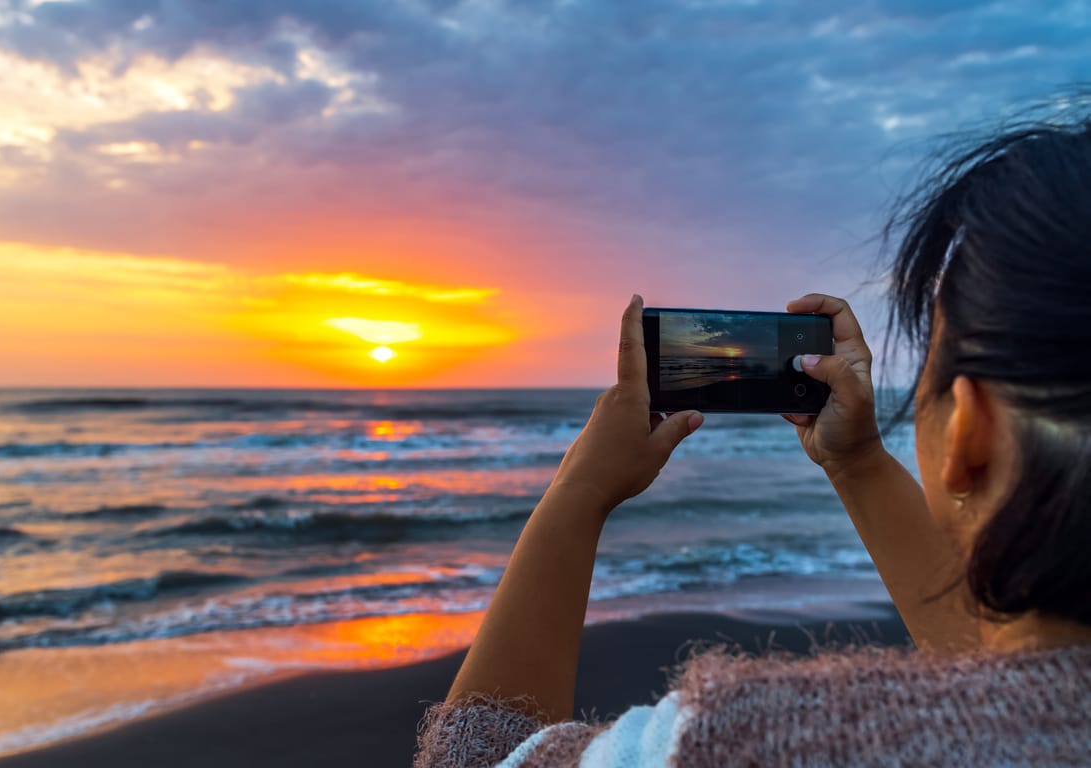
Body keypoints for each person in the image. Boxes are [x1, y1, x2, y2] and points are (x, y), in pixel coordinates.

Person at [414, 117, 1091, 766]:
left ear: (971, 429)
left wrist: (577, 492)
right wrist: (855, 464)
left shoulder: (764, 739)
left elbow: (480, 759)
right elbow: (1003, 687)